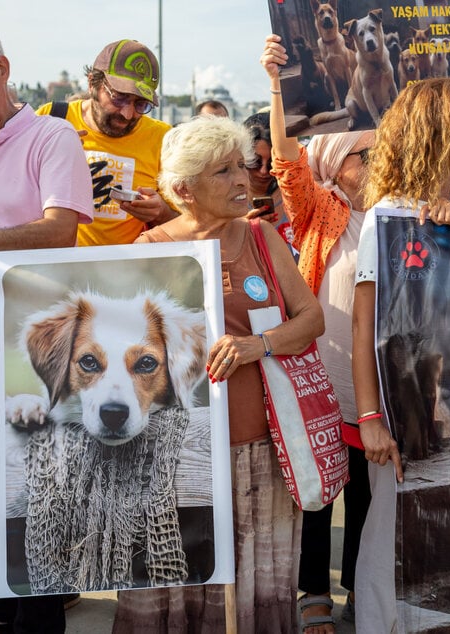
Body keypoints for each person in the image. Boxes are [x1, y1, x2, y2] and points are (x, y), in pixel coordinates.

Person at [112, 116, 324, 633]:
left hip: (263, 451)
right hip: (178, 461)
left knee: (255, 586)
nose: (242, 180)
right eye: (223, 171)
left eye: (241, 166)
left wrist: (259, 345)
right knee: (177, 578)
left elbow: (311, 319)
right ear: (183, 189)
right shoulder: (151, 250)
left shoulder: (262, 235)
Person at [0, 16, 93, 632]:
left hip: (23, 357)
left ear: (2, 69)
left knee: (26, 503)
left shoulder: (51, 138)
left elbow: (61, 228)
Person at [351, 76, 450, 634]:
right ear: (432, 130)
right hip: (409, 411)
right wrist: (371, 419)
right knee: (397, 528)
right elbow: (367, 322)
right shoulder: (388, 214)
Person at [262, 33, 371, 634]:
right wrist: (277, 85)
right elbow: (284, 158)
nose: (370, 167)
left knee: (364, 490)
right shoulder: (317, 208)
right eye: (360, 157)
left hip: (371, 378)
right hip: (318, 369)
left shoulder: (394, 211)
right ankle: (311, 593)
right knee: (316, 487)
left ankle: (358, 584)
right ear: (332, 163)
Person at [36, 39, 175, 246]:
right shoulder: (52, 118)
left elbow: (190, 222)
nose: (127, 114)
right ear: (92, 83)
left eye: (141, 104)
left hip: (126, 270)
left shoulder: (163, 138)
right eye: (119, 98)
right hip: (56, 267)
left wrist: (161, 212)